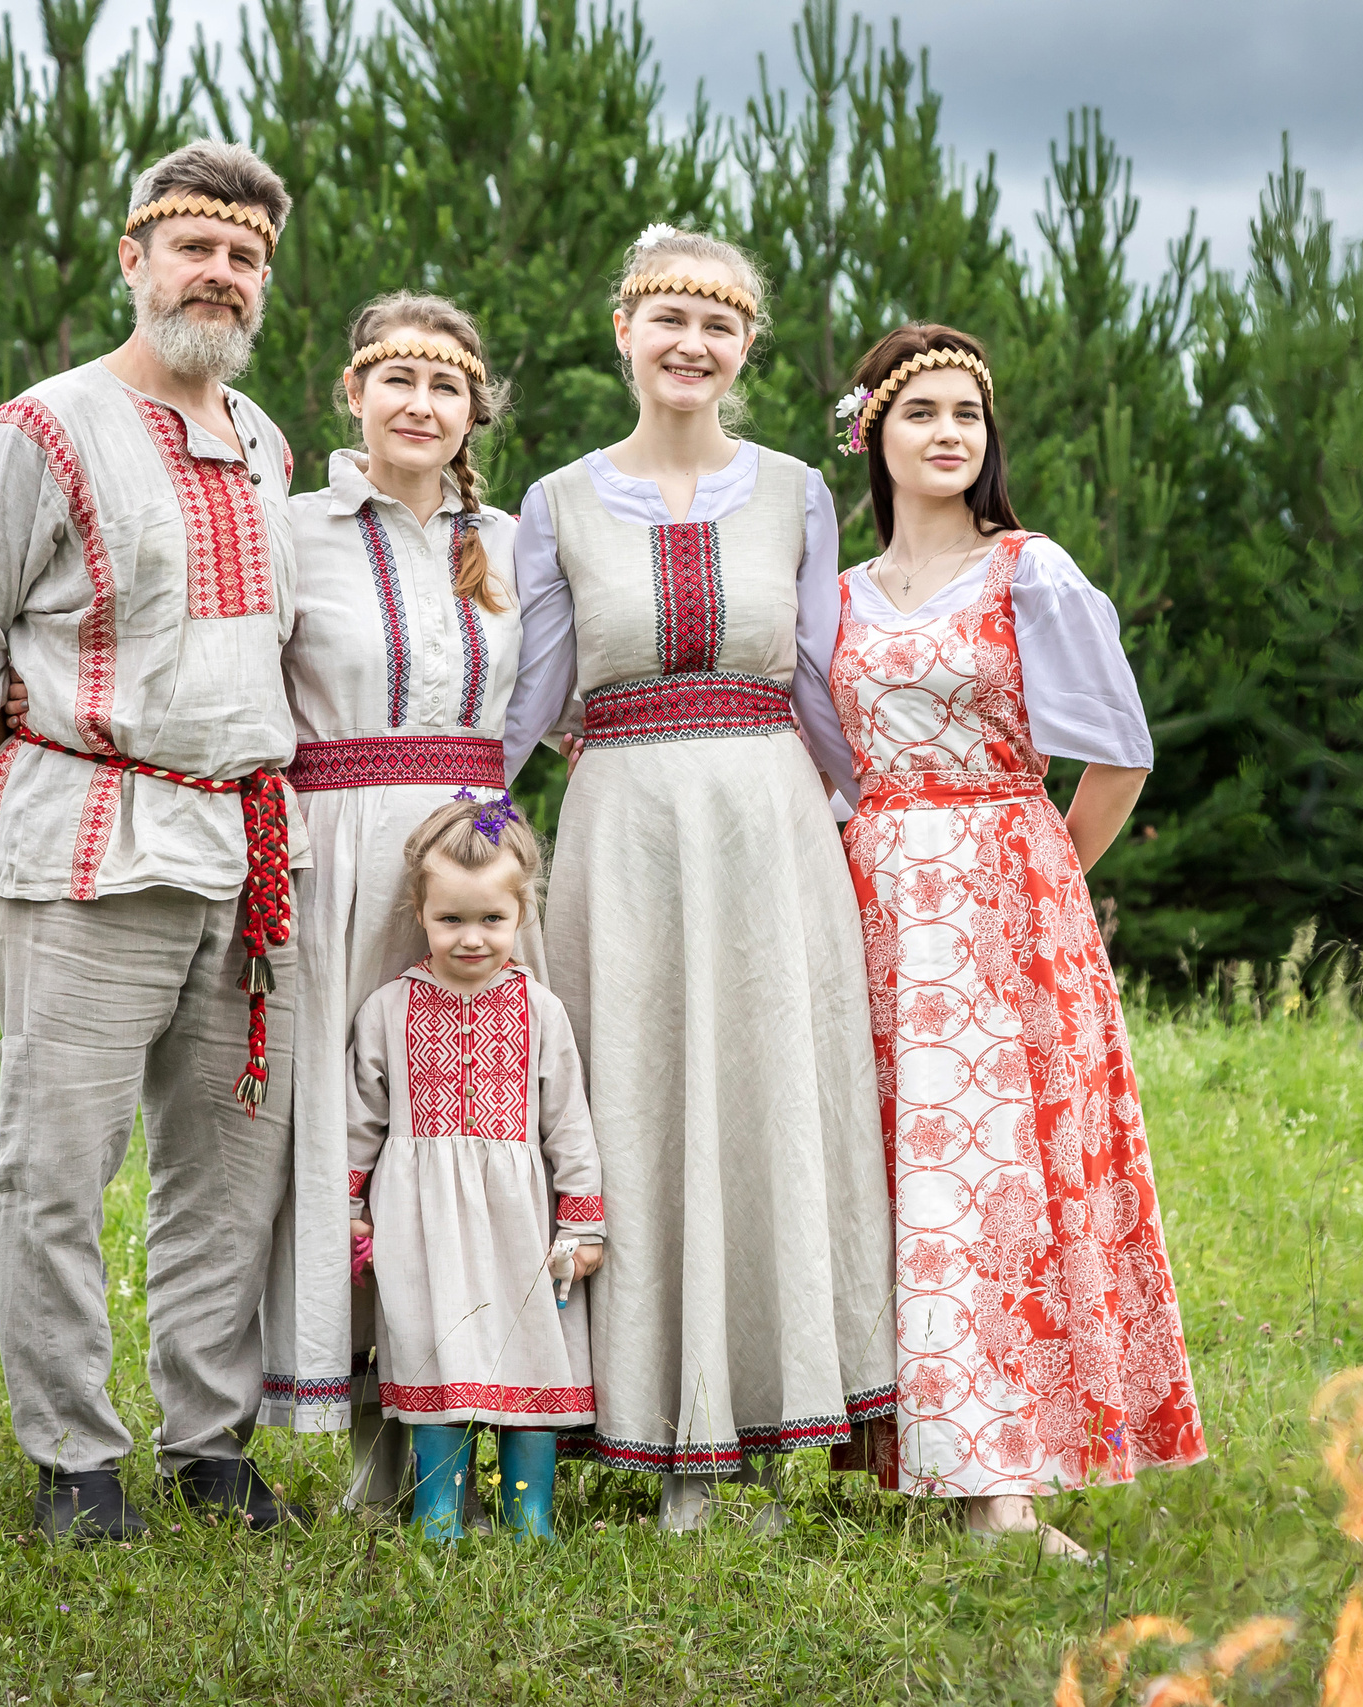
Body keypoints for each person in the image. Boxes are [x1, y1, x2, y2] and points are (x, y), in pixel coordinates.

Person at [0, 140, 310, 1541]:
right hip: (90, 843)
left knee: (227, 1174)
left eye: (245, 255)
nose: (220, 272)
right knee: (57, 1167)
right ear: (132, 257)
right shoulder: (40, 431)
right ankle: (75, 1464)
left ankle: (211, 1449)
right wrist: (64, 764)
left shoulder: (265, 442)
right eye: (193, 246)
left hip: (245, 849)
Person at [500, 225, 896, 1533]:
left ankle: (768, 1425)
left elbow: (829, 682)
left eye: (721, 323)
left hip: (772, 829)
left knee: (769, 1096)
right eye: (669, 317)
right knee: (639, 1101)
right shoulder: (554, 501)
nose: (692, 343)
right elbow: (530, 694)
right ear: (622, 330)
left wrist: (886, 822)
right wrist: (463, 820)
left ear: (746, 349)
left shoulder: (797, 491)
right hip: (620, 832)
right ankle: (665, 1434)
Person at [827, 323, 1206, 1557]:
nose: (948, 433)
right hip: (874, 894)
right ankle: (906, 1442)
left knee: (993, 1183)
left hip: (1002, 893)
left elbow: (1117, 752)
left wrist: (1040, 872)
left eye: (967, 416)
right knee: (895, 1177)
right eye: (921, 411)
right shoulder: (832, 600)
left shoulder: (1028, 572)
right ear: (872, 434)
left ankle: (1009, 1484)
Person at [257, 293, 538, 1518]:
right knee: (354, 1140)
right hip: (342, 859)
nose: (421, 407)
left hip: (474, 864)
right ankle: (372, 1443)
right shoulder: (292, 531)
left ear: (476, 407)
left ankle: (472, 1415)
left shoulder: (516, 544)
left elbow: (556, 701)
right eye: (397, 383)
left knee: (467, 1137)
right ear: (354, 397)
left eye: (446, 386)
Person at [346, 797, 604, 1542]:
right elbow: (360, 1119)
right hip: (419, 1224)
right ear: (420, 912)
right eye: (450, 918)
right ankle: (439, 1514)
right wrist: (351, 1206)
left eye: (491, 919)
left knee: (529, 1354)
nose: (470, 938)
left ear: (522, 913)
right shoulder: (388, 1011)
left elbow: (570, 1125)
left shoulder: (540, 1011)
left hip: (519, 1223)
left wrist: (583, 1220)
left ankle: (530, 1512)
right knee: (435, 1355)